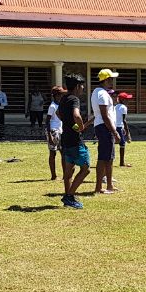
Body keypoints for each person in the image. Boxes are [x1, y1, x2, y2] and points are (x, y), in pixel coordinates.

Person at [56, 76, 90, 208]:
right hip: (75, 140)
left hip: (65, 139)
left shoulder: (64, 98)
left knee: (69, 171)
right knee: (85, 168)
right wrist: (81, 127)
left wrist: (67, 122)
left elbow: (58, 113)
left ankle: (68, 197)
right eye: (82, 86)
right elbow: (76, 115)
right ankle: (69, 196)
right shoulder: (74, 99)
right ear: (76, 87)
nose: (83, 88)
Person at [91, 68, 121, 195]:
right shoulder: (102, 94)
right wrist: (115, 132)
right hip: (104, 127)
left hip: (104, 126)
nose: (112, 81)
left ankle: (109, 184)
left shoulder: (98, 92)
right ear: (106, 80)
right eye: (111, 79)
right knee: (103, 157)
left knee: (109, 157)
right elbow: (104, 115)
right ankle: (98, 187)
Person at [46, 85, 64, 180]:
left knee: (63, 152)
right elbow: (47, 121)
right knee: (53, 153)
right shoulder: (52, 106)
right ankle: (53, 175)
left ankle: (65, 175)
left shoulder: (60, 105)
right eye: (60, 94)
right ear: (56, 95)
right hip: (53, 131)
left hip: (60, 130)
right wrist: (49, 135)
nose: (62, 96)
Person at [115, 91, 133, 167]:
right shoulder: (124, 107)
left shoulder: (115, 106)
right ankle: (122, 163)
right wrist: (128, 133)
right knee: (122, 144)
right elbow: (124, 120)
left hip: (114, 126)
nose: (128, 101)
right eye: (126, 99)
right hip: (118, 127)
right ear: (122, 100)